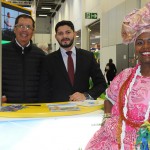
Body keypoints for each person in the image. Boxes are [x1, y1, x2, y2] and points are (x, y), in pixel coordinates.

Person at [85, 2, 150, 150]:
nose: (145, 47)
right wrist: (108, 118)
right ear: (135, 47)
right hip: (115, 141)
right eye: (140, 42)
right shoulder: (125, 76)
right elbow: (109, 99)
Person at [39, 20, 107, 102]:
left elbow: (101, 84)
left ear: (74, 34)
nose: (64, 36)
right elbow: (43, 89)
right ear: (56, 36)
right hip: (57, 110)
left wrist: (86, 95)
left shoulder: (88, 57)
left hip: (83, 109)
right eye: (60, 33)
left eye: (68, 32)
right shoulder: (48, 60)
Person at [2, 14, 45, 103]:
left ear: (33, 31)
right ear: (15, 29)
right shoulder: (2, 52)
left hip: (34, 108)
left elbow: (45, 82)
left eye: (28, 27)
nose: (24, 30)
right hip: (7, 108)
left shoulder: (40, 55)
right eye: (21, 26)